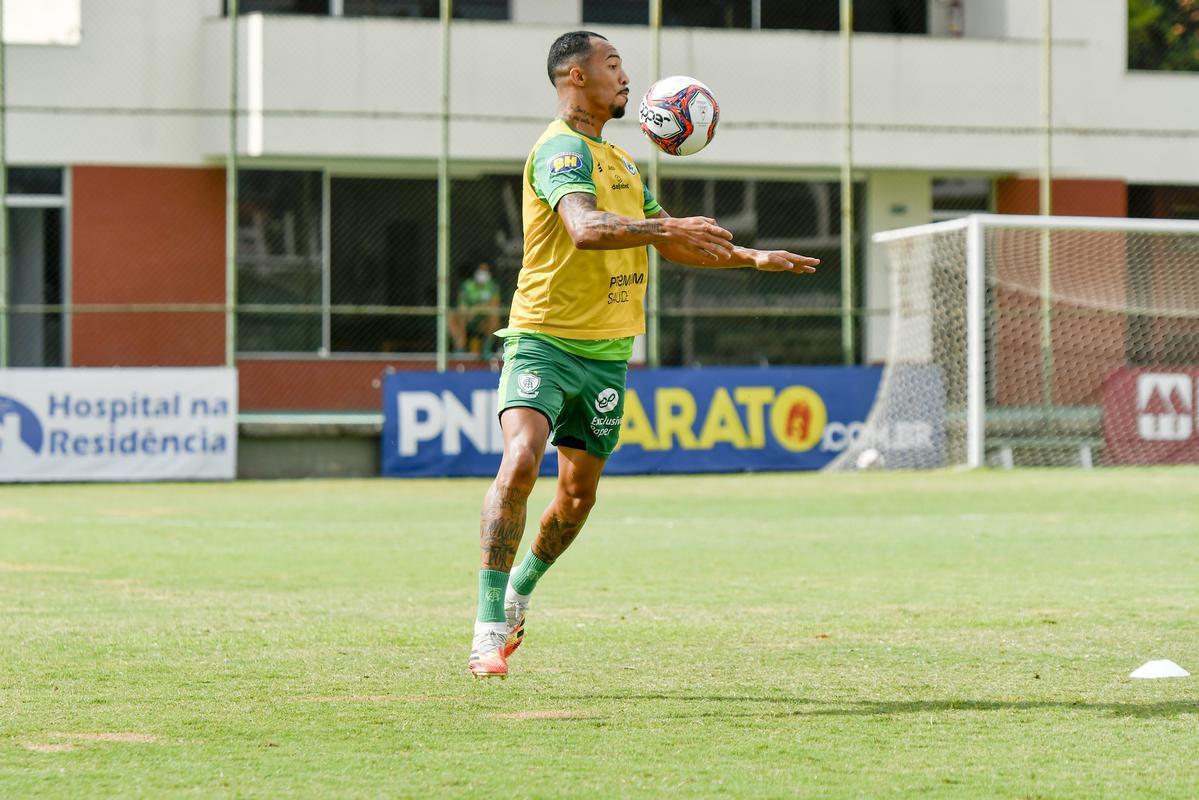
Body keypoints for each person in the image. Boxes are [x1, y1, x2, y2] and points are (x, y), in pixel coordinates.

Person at [468, 30, 819, 678]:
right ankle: (487, 627)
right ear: (574, 77)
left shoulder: (621, 163)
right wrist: (665, 226)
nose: (625, 77)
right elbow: (584, 227)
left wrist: (752, 256)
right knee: (520, 459)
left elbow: (671, 242)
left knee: (577, 499)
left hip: (605, 355)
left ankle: (519, 591)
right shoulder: (560, 152)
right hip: (544, 340)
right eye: (611, 64)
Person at [448, 260, 502, 357]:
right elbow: (462, 306)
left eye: (486, 271)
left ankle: (487, 348)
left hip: (483, 320)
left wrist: (478, 309)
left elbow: (494, 305)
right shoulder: (467, 286)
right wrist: (470, 313)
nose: (483, 273)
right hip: (467, 318)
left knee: (494, 316)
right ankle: (460, 347)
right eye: (481, 270)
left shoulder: (492, 286)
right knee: (452, 316)